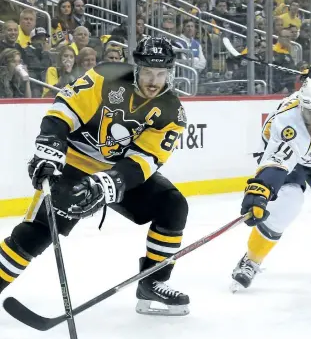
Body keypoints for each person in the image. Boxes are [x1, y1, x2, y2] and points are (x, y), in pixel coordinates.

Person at [0, 36, 190, 316]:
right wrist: (50, 148)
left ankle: (152, 281)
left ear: (170, 74)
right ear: (136, 68)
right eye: (148, 72)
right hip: (74, 162)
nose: (154, 80)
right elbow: (65, 109)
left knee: (173, 205)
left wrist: (108, 182)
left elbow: (145, 160)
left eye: (161, 74)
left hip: (118, 170)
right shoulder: (106, 78)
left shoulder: (172, 111)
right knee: (40, 231)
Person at [231, 77, 311, 291]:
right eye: (310, 114)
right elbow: (277, 162)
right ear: (302, 109)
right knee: (289, 202)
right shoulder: (289, 121)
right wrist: (260, 190)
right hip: (287, 154)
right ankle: (252, 259)